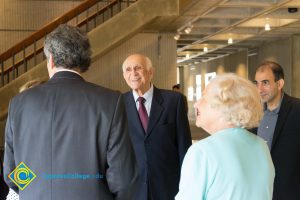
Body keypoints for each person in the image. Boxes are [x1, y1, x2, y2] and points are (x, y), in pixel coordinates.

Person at [4, 24, 138, 200]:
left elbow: (11, 172)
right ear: (83, 61)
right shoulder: (110, 101)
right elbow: (123, 179)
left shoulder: (19, 103)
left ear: (50, 59)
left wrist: (36, 187)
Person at [176, 73, 275, 200]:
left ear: (225, 105)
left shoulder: (202, 152)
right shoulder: (261, 146)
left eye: (204, 97)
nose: (196, 104)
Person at [122, 54, 192, 200]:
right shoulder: (118, 105)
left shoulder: (173, 101)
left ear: (151, 72)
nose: (133, 73)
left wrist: (187, 184)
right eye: (128, 70)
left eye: (138, 68)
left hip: (167, 186)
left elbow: (184, 146)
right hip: (133, 188)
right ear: (124, 75)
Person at [253, 61, 300, 200]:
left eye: (265, 83)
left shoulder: (297, 109)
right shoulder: (253, 113)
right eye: (257, 83)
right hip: (260, 189)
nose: (259, 89)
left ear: (279, 84)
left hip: (289, 191)